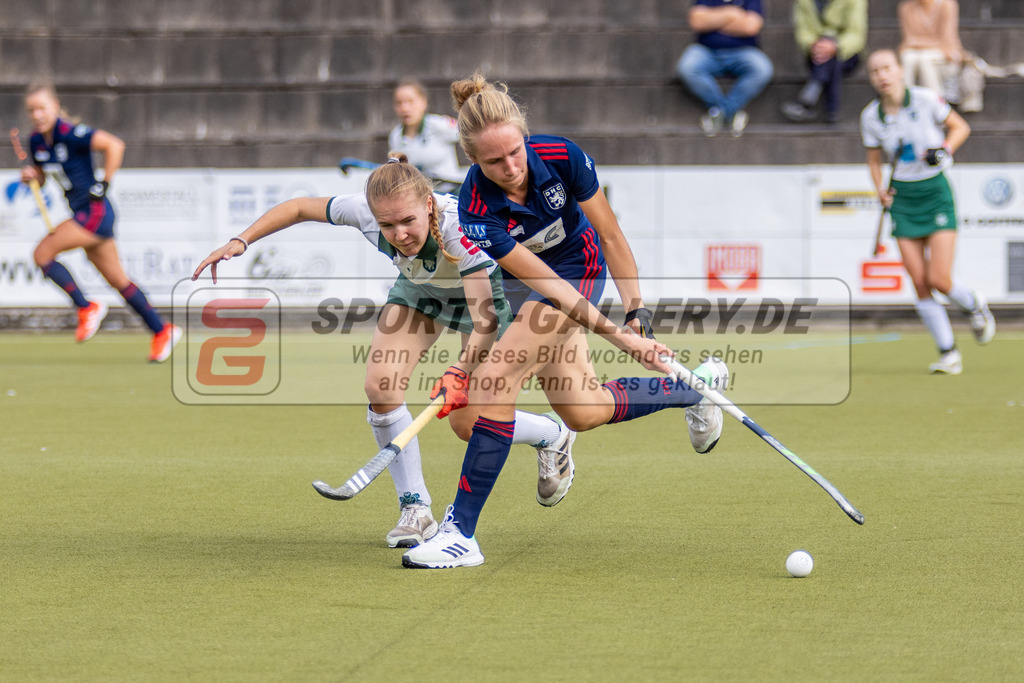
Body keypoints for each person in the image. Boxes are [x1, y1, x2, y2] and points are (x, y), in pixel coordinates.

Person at [402, 75, 730, 570]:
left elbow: (611, 234)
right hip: (529, 285)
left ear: (524, 136)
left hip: (581, 269)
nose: (510, 168)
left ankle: (460, 534)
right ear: (473, 161)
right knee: (574, 411)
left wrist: (635, 312)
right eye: (493, 161)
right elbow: (540, 284)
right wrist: (620, 339)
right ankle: (694, 389)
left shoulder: (561, 156)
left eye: (514, 152)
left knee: (495, 381)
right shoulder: (475, 208)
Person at [192, 154, 580, 548]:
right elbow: (297, 208)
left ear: (428, 204)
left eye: (408, 221)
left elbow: (484, 322)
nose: (399, 234)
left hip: (480, 301)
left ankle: (552, 433)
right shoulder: (360, 210)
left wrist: (458, 372)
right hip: (420, 293)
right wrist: (241, 240)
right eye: (387, 225)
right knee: (381, 387)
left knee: (467, 425)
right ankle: (415, 510)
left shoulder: (460, 227)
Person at [19, 83, 180, 362]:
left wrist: (104, 183)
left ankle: (86, 307)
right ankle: (162, 329)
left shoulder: (72, 133)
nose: (37, 114)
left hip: (94, 212)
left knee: (42, 253)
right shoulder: (36, 142)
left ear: (56, 106)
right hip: (83, 214)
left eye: (42, 107)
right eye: (32, 110)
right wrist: (33, 176)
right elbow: (45, 176)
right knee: (119, 280)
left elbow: (114, 145)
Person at [860, 49, 995, 374]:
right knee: (920, 281)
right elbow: (874, 160)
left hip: (935, 191)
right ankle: (948, 352)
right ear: (871, 78)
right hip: (903, 200)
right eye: (876, 70)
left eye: (887, 68)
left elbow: (960, 127)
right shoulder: (871, 117)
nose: (883, 75)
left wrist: (945, 150)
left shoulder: (925, 99)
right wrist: (880, 189)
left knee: (939, 278)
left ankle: (974, 305)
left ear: (899, 70)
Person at [676, 0, 774, 137]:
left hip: (744, 51)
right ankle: (729, 112)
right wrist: (731, 14)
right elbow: (697, 22)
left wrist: (713, 21)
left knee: (762, 69)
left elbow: (750, 27)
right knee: (687, 67)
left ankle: (719, 112)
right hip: (706, 50)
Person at [782, 0, 868, 124]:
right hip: (816, 54)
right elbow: (803, 32)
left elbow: (856, 35)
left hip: (849, 53)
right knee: (829, 55)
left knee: (834, 56)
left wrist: (836, 46)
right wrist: (816, 45)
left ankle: (809, 97)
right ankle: (832, 111)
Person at [388, 79, 465, 193]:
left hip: (452, 192)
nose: (404, 108)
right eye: (399, 103)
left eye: (410, 101)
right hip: (421, 197)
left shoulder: (438, 125)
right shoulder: (396, 136)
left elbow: (470, 133)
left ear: (423, 102)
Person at [898, 0, 964, 102]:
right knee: (907, 56)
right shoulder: (906, 8)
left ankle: (936, 103)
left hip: (946, 56)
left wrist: (917, 42)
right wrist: (931, 42)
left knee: (925, 58)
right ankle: (905, 100)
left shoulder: (947, 5)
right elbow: (908, 41)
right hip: (918, 54)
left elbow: (947, 41)